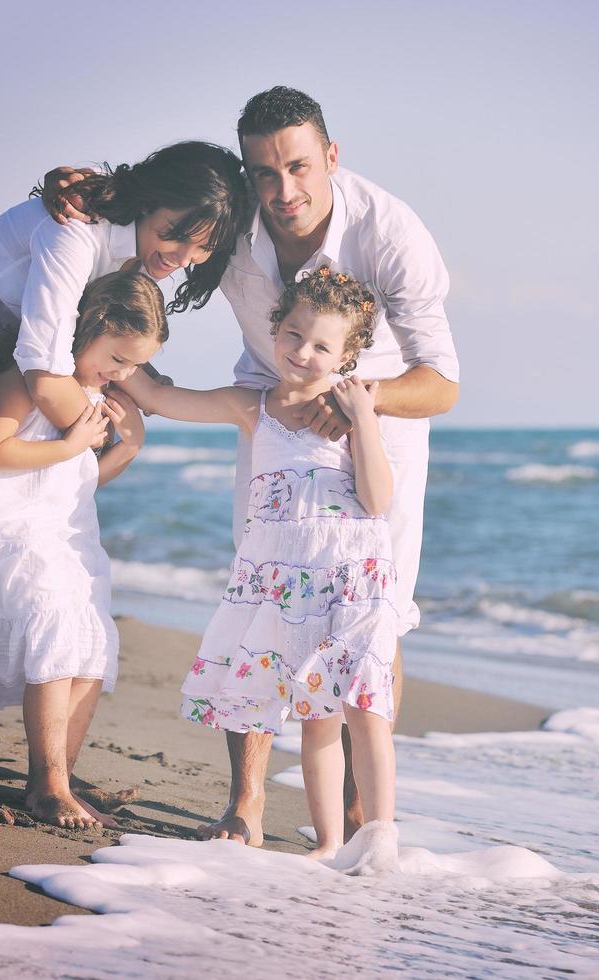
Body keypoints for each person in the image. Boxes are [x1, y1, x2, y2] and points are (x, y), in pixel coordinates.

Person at [44, 87, 460, 847]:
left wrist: (357, 401)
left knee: (375, 616)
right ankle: (245, 804)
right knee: (264, 594)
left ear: (331, 157)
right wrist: (90, 193)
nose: (282, 191)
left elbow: (442, 381)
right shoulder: (235, 221)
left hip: (378, 411)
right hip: (265, 411)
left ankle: (364, 817)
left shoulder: (391, 232)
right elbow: (161, 225)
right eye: (263, 173)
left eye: (298, 167)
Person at [0, 141, 252, 821]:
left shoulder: (125, 257)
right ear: (149, 200)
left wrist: (255, 411)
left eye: (198, 250)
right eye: (174, 234)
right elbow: (44, 370)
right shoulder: (76, 234)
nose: (179, 256)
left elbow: (136, 383)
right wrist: (91, 437)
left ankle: (50, 774)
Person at [134, 268, 401, 871]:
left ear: (348, 355)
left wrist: (363, 415)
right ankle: (330, 844)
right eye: (292, 334)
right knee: (314, 715)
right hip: (286, 582)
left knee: (365, 710)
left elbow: (378, 498)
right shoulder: (253, 405)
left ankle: (381, 838)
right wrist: (112, 351)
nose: (302, 353)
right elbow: (161, 400)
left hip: (352, 578)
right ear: (275, 330)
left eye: (322, 346)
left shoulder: (348, 410)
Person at [0, 268, 162, 829]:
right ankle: (48, 785)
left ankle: (57, 780)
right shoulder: (26, 379)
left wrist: (128, 448)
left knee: (93, 647)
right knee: (54, 628)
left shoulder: (92, 398)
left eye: (132, 366)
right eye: (115, 357)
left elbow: (77, 479)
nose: (121, 373)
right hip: (22, 535)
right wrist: (73, 441)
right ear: (86, 328)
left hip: (73, 537)